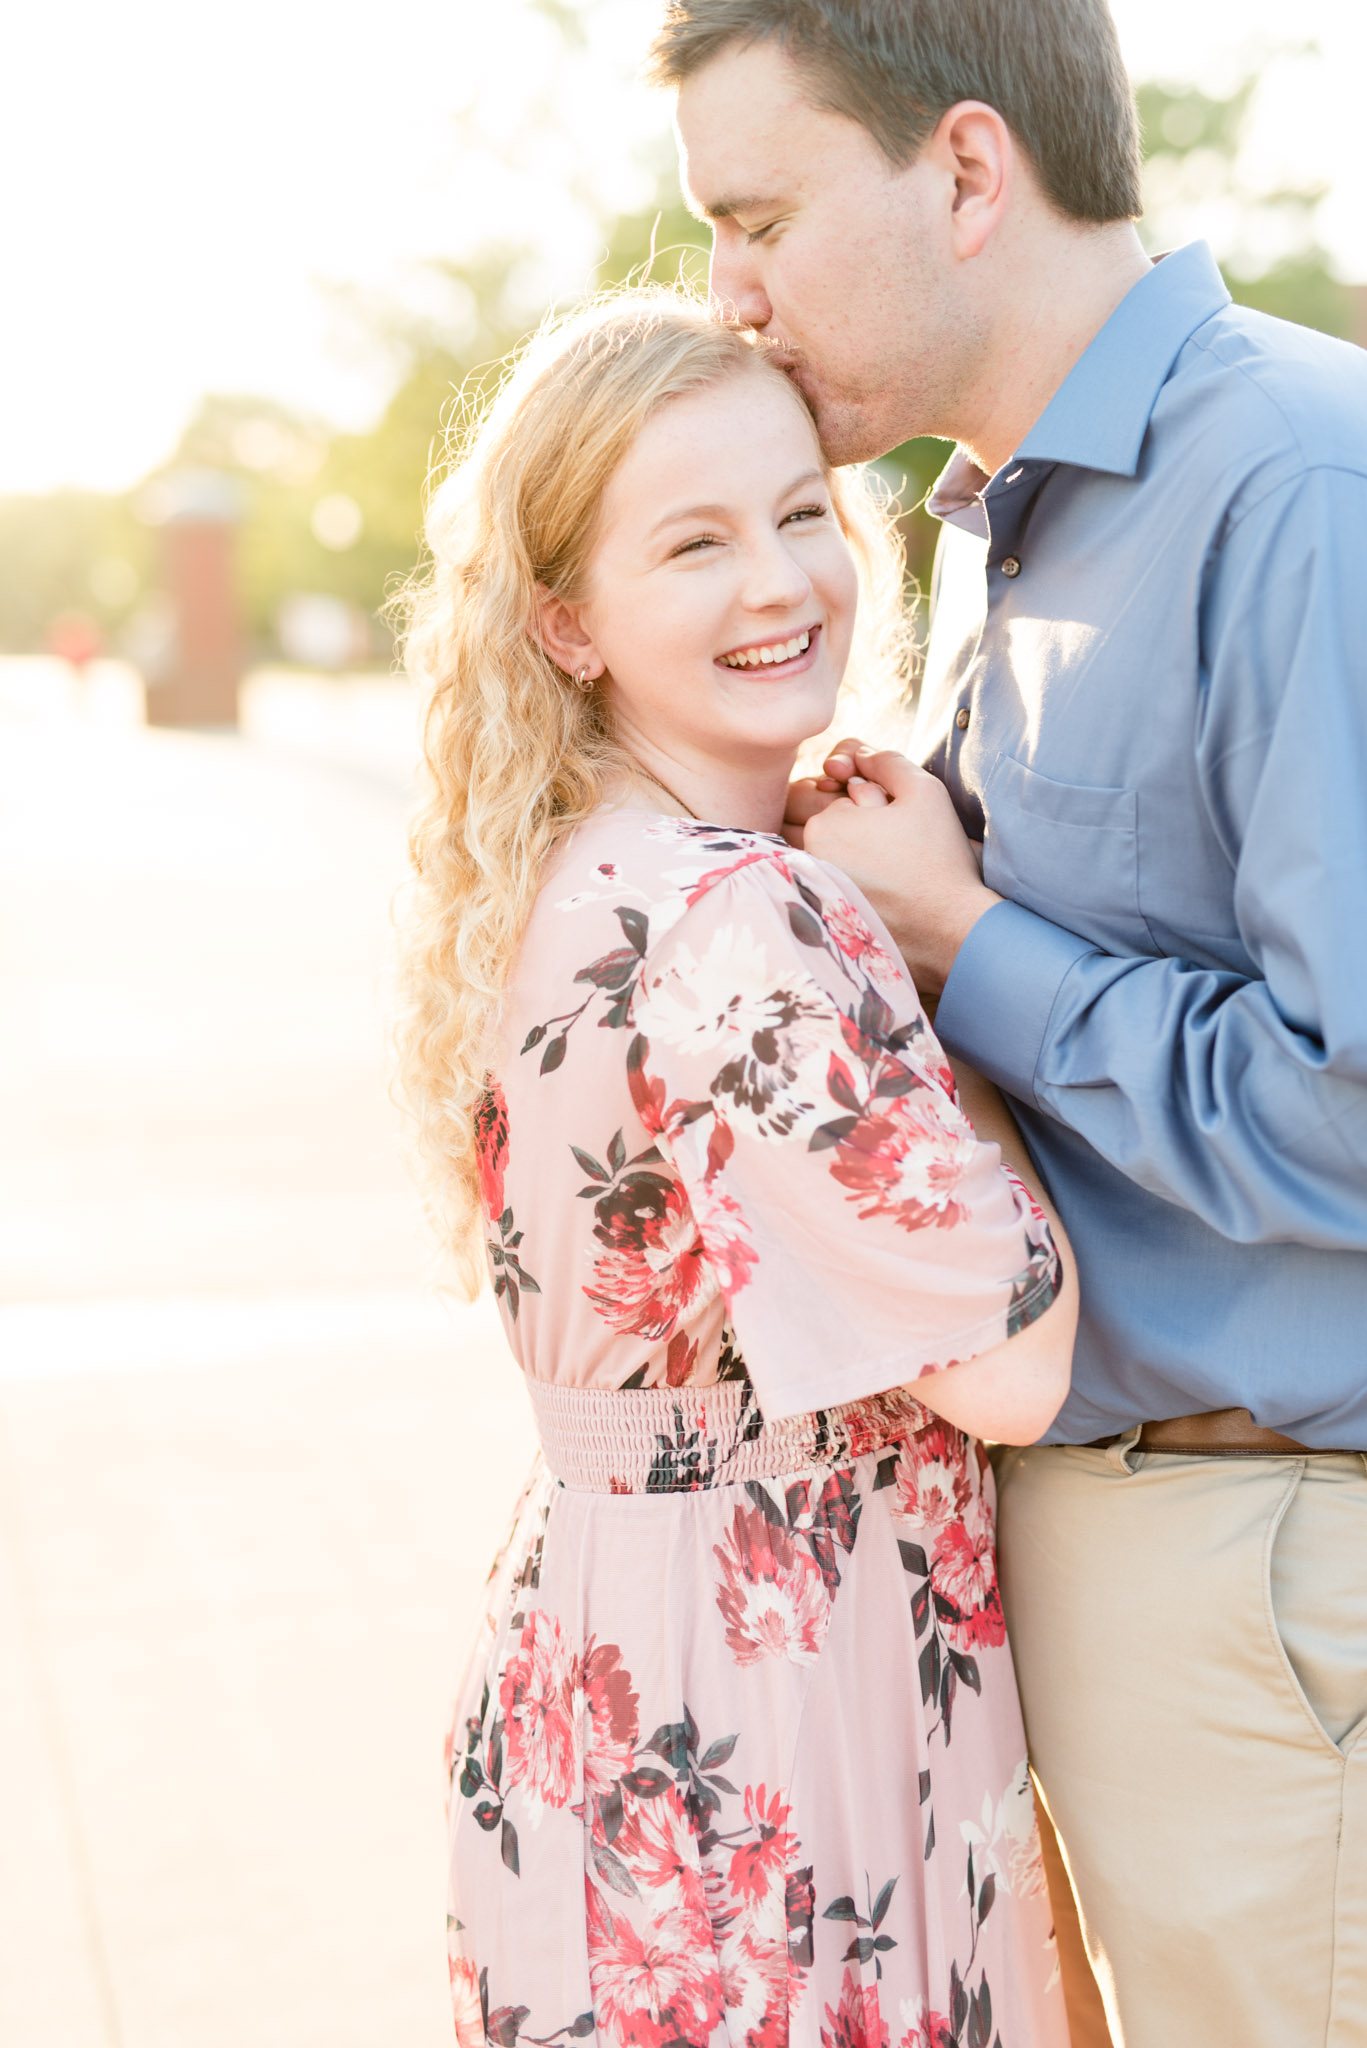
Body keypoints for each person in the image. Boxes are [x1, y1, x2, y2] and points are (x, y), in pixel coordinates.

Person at [649, 1, 1367, 2043]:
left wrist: (974, 942)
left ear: (968, 172)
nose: (732, 293)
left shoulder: (1298, 490)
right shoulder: (1008, 522)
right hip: (1127, 1566)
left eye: (758, 214)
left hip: (1268, 1569)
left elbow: (1360, 1108)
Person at [397, 290, 1079, 2048]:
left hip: (600, 1675)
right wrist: (942, 948)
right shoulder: (741, 914)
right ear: (565, 621)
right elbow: (1011, 1363)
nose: (780, 580)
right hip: (770, 1722)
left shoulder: (557, 875)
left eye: (797, 511)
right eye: (693, 543)